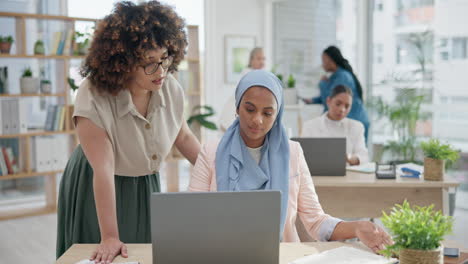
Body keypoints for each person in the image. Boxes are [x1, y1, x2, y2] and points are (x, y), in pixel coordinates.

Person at [56, 1, 201, 263]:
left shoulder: (169, 86)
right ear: (123, 63)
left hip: (144, 182)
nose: (161, 72)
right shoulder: (94, 93)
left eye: (165, 58)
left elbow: (184, 137)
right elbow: (103, 167)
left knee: (143, 255)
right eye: (149, 63)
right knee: (102, 255)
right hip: (97, 183)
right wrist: (110, 235)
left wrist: (220, 175)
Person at [189, 70, 391, 253]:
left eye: (267, 113)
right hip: (223, 255)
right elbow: (192, 215)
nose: (257, 120)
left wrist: (355, 227)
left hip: (282, 256)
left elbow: (316, 221)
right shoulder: (211, 151)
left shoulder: (293, 153)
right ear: (237, 107)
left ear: (277, 115)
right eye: (250, 109)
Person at [303, 46, 370, 141]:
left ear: (331, 60)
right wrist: (312, 100)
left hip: (355, 120)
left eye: (324, 60)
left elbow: (333, 99)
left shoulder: (343, 77)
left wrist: (322, 84)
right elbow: (329, 97)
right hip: (348, 120)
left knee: (354, 153)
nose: (322, 65)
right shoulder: (335, 76)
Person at [302, 85, 369, 166]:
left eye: (347, 106)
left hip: (347, 175)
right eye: (338, 104)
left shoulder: (357, 127)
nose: (342, 109)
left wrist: (350, 158)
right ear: (328, 101)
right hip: (317, 175)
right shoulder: (309, 126)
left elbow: (363, 156)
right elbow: (302, 156)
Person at [219, 47, 266, 132]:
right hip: (231, 117)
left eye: (263, 59)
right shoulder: (248, 75)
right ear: (251, 60)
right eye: (259, 59)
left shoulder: (258, 75)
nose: (262, 62)